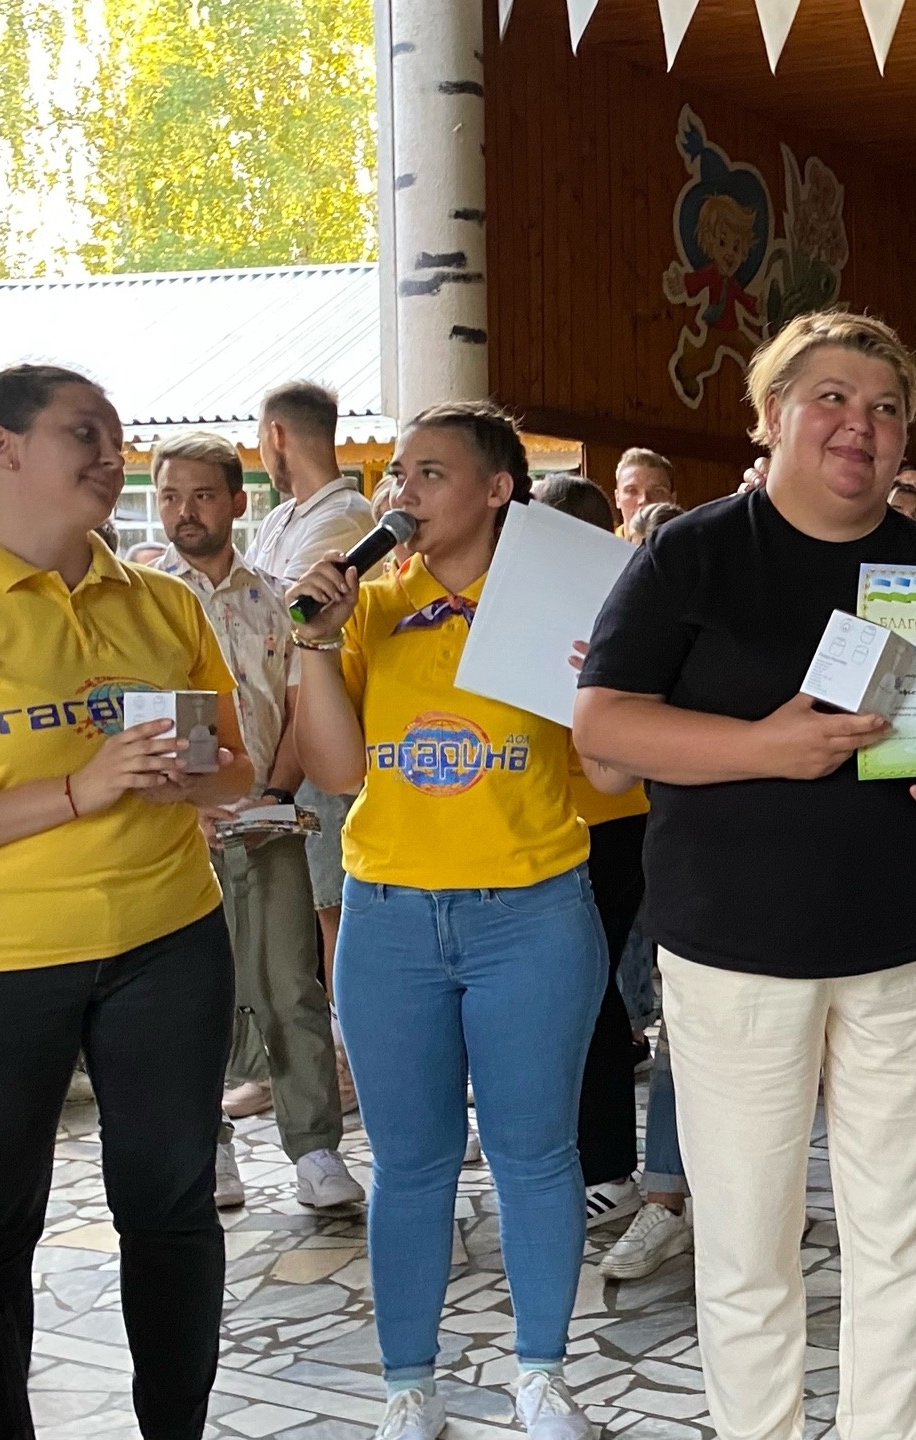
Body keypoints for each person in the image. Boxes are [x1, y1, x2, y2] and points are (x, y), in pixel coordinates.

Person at [572, 312, 916, 1440]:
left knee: (897, 1241)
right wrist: (767, 746)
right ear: (770, 415)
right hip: (734, 954)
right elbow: (604, 727)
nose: (861, 425)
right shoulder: (691, 553)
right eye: (832, 399)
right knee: (748, 1245)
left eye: (886, 408)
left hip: (904, 951)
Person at [0, 364, 253, 1440]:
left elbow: (237, 771)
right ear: (1, 449)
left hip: (167, 942)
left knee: (171, 1209)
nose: (114, 456)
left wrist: (187, 779)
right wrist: (77, 790)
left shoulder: (161, 601)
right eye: (85, 433)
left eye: (117, 437)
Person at [286, 402, 615, 1440]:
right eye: (397, 473)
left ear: (497, 489)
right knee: (409, 1164)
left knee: (536, 1154)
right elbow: (335, 769)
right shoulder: (373, 608)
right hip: (389, 919)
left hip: (534, 914)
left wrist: (598, 683)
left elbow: (612, 775)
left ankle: (542, 1375)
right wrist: (315, 642)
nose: (402, 492)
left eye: (428, 473)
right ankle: (408, 1387)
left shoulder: (561, 606)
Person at [151, 432, 360, 1213]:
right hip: (178, 834)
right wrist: (191, 803)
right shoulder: (145, 601)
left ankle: (316, 1149)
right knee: (190, 996)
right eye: (170, 496)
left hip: (270, 819)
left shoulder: (277, 598)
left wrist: (271, 793)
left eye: (203, 495)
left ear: (239, 502)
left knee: (290, 985)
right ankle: (208, 1146)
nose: (186, 511)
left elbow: (302, 707)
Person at [522, 475, 671, 1249]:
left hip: (611, 816)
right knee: (567, 990)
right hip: (542, 812)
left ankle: (611, 1168)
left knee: (593, 989)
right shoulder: (520, 597)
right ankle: (573, 1154)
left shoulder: (626, 593)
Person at [243, 381, 376, 1084]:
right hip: (277, 723)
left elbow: (282, 619)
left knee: (334, 909)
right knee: (304, 906)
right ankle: (308, 1056)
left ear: (275, 436)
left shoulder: (347, 517)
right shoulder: (282, 519)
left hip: (321, 719)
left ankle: (352, 1059)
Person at [613, 446, 680, 534]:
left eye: (657, 492)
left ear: (673, 500)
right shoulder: (601, 541)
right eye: (632, 491)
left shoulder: (688, 542)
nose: (644, 500)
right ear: (617, 498)